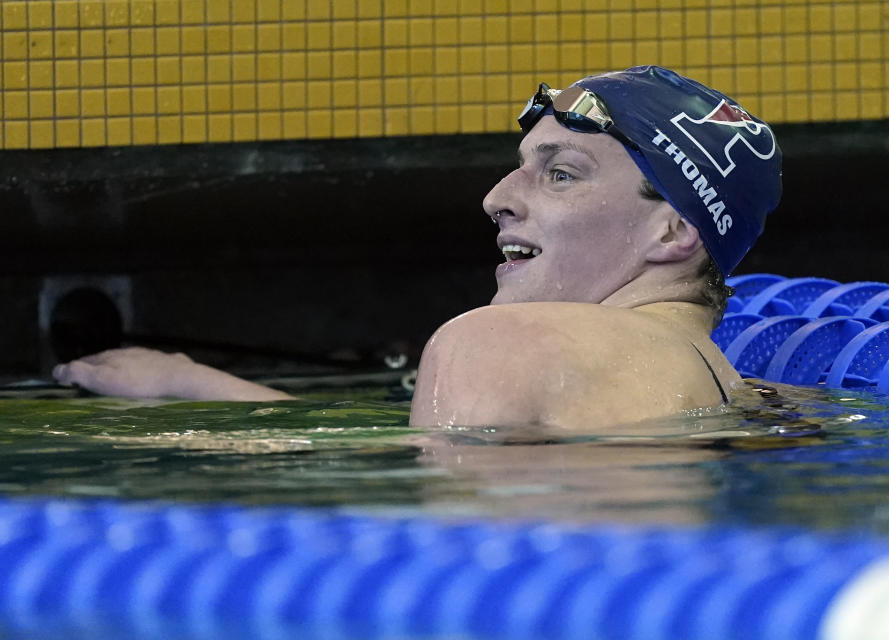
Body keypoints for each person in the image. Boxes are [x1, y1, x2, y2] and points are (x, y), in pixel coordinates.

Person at [52, 66, 782, 429]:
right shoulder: (739, 394)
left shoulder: (502, 341)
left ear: (673, 231)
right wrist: (192, 384)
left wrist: (191, 439)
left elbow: (422, 520)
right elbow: (431, 452)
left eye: (560, 174)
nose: (498, 197)